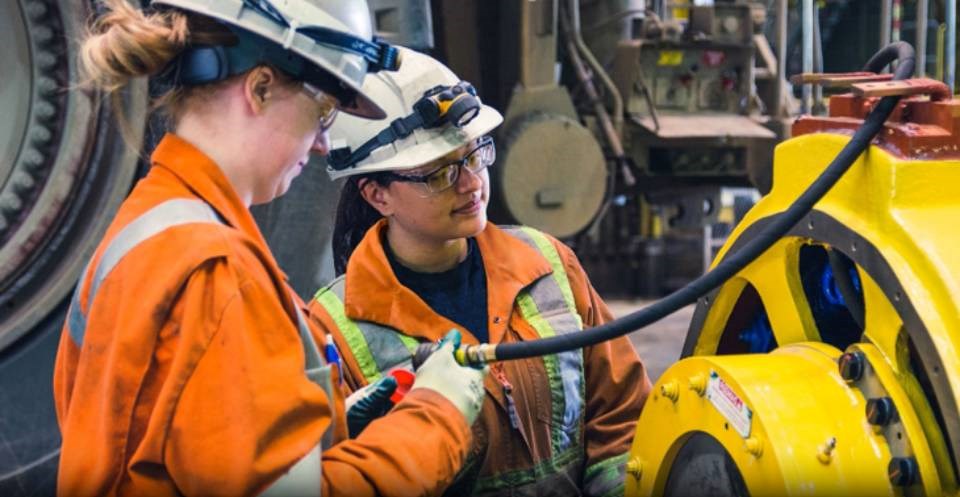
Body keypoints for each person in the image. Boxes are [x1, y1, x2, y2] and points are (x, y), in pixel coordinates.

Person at [53, 1, 487, 495]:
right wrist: (437, 415)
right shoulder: (218, 273)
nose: (325, 143)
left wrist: (326, 423)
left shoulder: (141, 232)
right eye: (324, 111)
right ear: (259, 88)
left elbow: (169, 449)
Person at [308, 47, 652, 496]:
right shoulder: (331, 329)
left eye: (474, 155)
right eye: (438, 174)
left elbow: (621, 416)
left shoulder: (548, 263)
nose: (471, 183)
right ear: (378, 195)